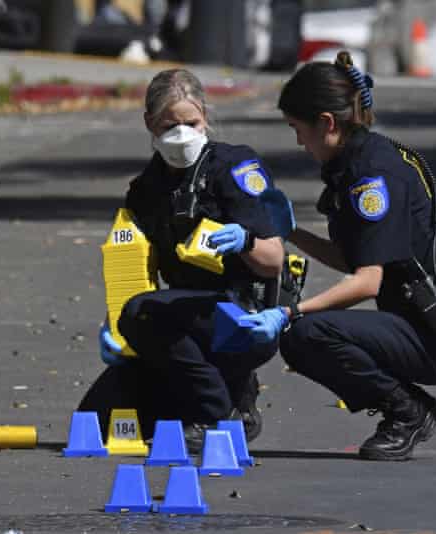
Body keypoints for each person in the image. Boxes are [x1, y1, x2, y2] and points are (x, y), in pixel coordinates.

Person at [238, 52, 436, 461]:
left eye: (298, 129)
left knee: (304, 335)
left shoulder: (372, 176)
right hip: (418, 323)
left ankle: (408, 412)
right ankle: (407, 407)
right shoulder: (357, 161)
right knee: (305, 331)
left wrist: (290, 313)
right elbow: (355, 259)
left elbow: (367, 281)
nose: (298, 141)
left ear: (327, 123)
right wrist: (290, 232)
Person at [77, 68, 285, 450]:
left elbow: (274, 261)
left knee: (144, 313)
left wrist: (245, 240)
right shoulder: (146, 188)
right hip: (178, 320)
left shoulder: (233, 168)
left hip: (240, 314)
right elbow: (138, 270)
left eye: (191, 122)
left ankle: (217, 411)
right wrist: (113, 322)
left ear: (205, 116)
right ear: (149, 124)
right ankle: (219, 393)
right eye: (169, 125)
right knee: (99, 417)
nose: (181, 134)